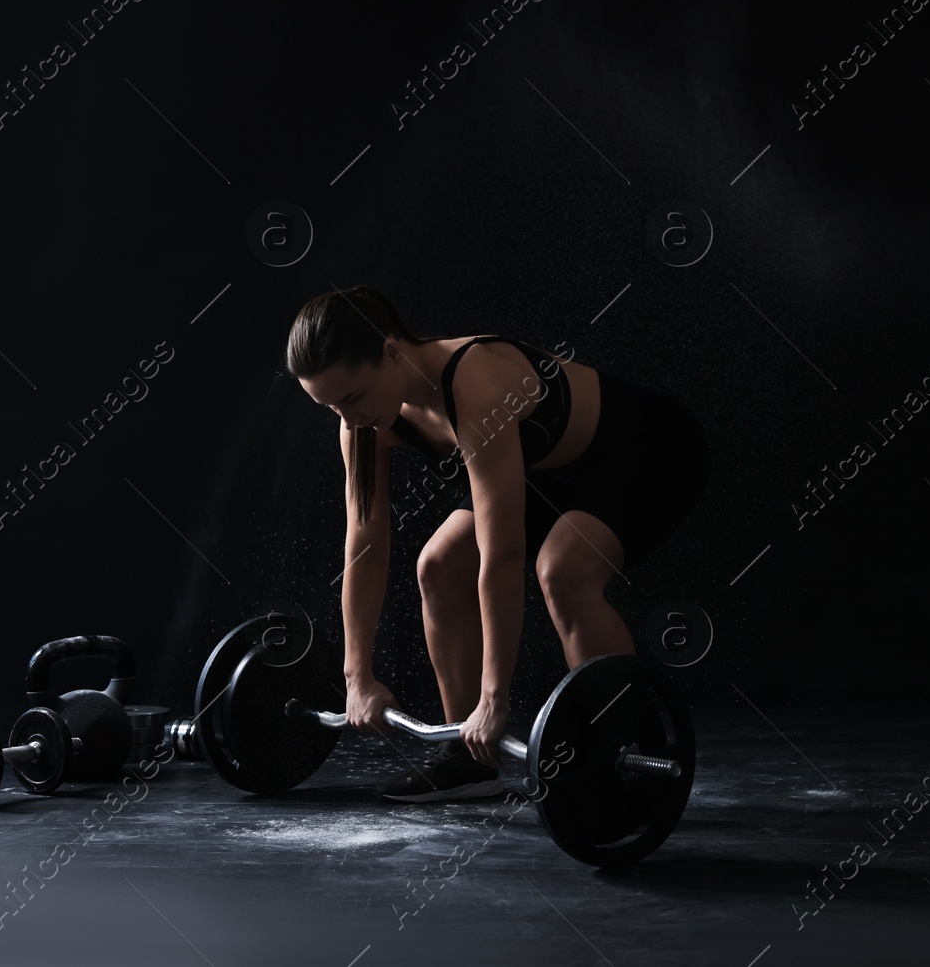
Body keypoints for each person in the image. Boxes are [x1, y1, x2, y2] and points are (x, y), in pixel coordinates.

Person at [286, 284, 710, 801]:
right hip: (547, 472)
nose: (347, 420)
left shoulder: (475, 381)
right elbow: (364, 544)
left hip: (648, 450)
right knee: (438, 566)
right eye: (328, 407)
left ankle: (625, 749)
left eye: (351, 398)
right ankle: (469, 759)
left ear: (392, 352)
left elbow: (502, 556)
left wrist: (496, 699)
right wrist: (357, 677)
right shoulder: (363, 421)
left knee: (564, 571)